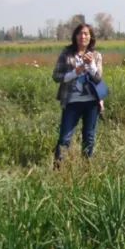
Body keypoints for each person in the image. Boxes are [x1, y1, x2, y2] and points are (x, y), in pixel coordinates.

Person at [51, 23, 104, 165]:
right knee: (65, 137)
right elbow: (56, 76)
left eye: (86, 34)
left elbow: (98, 78)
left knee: (89, 137)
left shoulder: (96, 55)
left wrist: (91, 65)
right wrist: (75, 72)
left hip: (92, 102)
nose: (83, 36)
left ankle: (87, 167)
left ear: (90, 37)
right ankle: (58, 167)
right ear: (75, 36)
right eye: (80, 33)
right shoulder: (66, 54)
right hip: (71, 102)